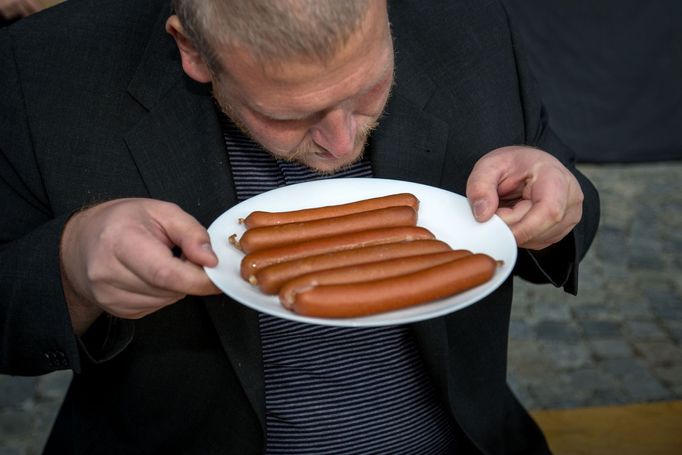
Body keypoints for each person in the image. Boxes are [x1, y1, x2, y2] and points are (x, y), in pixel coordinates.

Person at [0, 0, 599, 453]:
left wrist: (562, 198)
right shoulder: (45, 70)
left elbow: (562, 190)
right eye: (286, 114)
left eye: (368, 89)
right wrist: (70, 267)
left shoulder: (466, 23)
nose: (340, 144)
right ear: (193, 51)